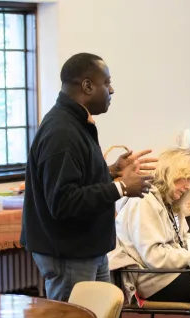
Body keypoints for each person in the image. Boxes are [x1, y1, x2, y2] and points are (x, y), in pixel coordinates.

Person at [21, 53, 155, 303]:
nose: (112, 90)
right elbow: (63, 202)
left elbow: (78, 179)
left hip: (86, 249)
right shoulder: (62, 131)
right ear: (87, 86)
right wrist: (121, 187)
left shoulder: (75, 123)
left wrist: (111, 171)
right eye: (107, 82)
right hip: (69, 254)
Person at [108, 149, 190, 304]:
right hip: (154, 279)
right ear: (168, 176)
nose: (188, 186)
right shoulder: (144, 201)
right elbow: (155, 258)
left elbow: (182, 241)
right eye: (184, 179)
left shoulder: (169, 201)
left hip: (169, 271)